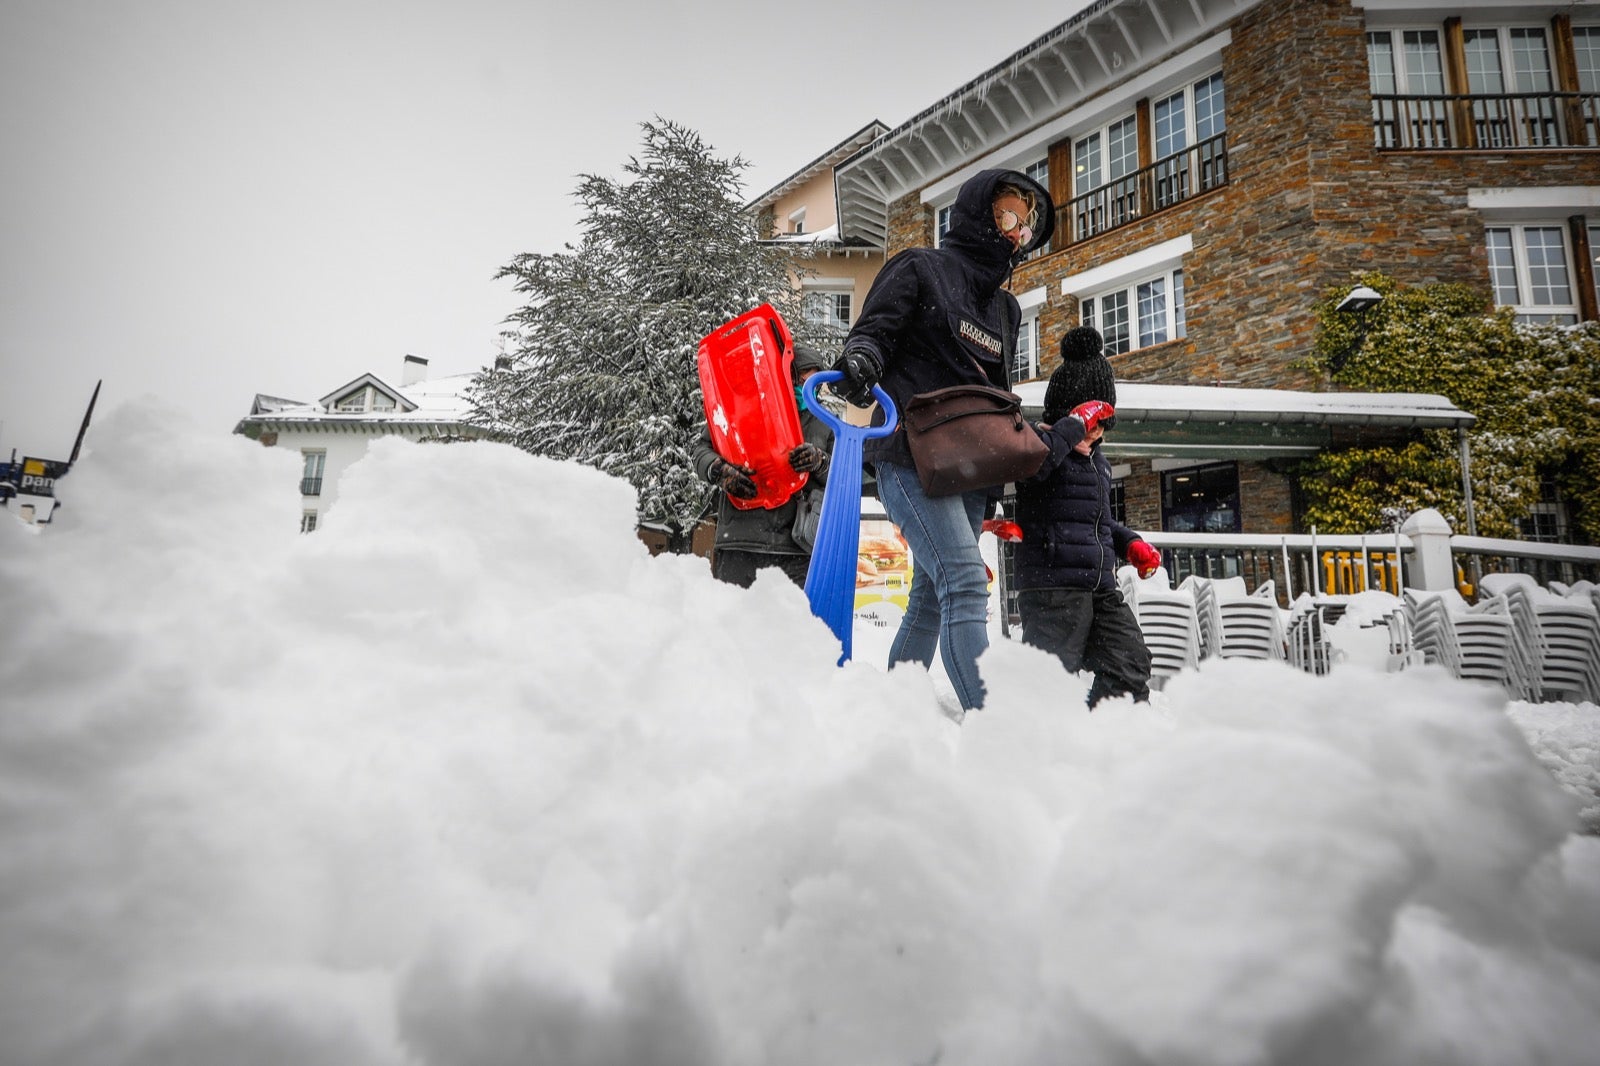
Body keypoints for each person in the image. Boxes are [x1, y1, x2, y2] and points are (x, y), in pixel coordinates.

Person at [830, 169, 1055, 712]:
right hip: (911, 453)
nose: (1015, 231)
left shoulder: (1005, 309)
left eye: (1024, 225)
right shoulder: (920, 268)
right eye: (1006, 215)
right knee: (963, 582)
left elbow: (996, 393)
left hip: (973, 465)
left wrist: (997, 486)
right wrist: (861, 361)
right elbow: (874, 332)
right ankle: (994, 724)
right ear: (979, 212)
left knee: (932, 594)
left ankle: (897, 709)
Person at [1013, 325, 1160, 708]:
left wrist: (1130, 543)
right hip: (1053, 587)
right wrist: (1072, 425)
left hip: (1100, 587)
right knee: (1048, 686)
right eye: (1087, 421)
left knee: (1130, 661)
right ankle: (1044, 752)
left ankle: (1108, 737)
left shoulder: (1098, 462)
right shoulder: (1036, 444)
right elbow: (1036, 466)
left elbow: (1099, 523)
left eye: (1100, 424)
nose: (1093, 432)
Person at [692, 343, 831, 588]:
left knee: (789, 624)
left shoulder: (826, 423)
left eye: (814, 383)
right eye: (800, 379)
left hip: (795, 547)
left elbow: (842, 479)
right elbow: (702, 449)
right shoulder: (744, 408)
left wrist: (820, 463)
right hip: (740, 541)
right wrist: (719, 471)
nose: (806, 389)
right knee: (732, 623)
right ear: (783, 376)